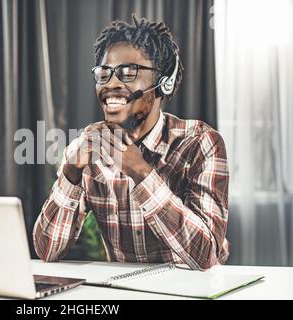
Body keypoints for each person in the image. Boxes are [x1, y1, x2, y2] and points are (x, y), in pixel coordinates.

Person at [33, 14, 230, 270]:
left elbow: (206, 256)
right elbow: (48, 251)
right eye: (104, 74)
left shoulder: (201, 142)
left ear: (164, 84)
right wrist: (70, 172)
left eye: (128, 72)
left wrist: (141, 172)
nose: (111, 84)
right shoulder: (89, 150)